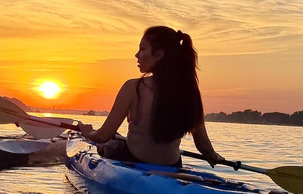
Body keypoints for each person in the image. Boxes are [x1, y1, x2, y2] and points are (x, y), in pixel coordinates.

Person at [77, 26, 223, 167]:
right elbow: (203, 145)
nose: (136, 55)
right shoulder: (189, 90)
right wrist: (213, 155)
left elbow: (103, 136)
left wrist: (88, 132)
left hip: (133, 160)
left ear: (159, 54)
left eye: (142, 49)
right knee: (116, 138)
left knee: (110, 144)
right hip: (173, 165)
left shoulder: (133, 87)